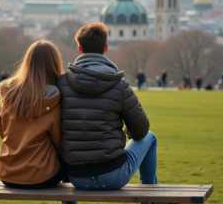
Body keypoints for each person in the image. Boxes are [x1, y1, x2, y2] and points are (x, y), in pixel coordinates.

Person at [58, 22, 156, 193]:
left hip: (76, 177)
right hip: (114, 175)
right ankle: (150, 199)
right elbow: (141, 131)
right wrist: (128, 132)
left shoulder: (62, 83)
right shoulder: (120, 85)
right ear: (106, 48)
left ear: (80, 50)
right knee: (150, 137)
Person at [0, 40, 76, 204]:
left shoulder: (7, 94)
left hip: (7, 174)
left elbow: (2, 132)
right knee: (69, 157)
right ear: (54, 63)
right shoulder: (53, 99)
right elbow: (60, 143)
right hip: (42, 177)